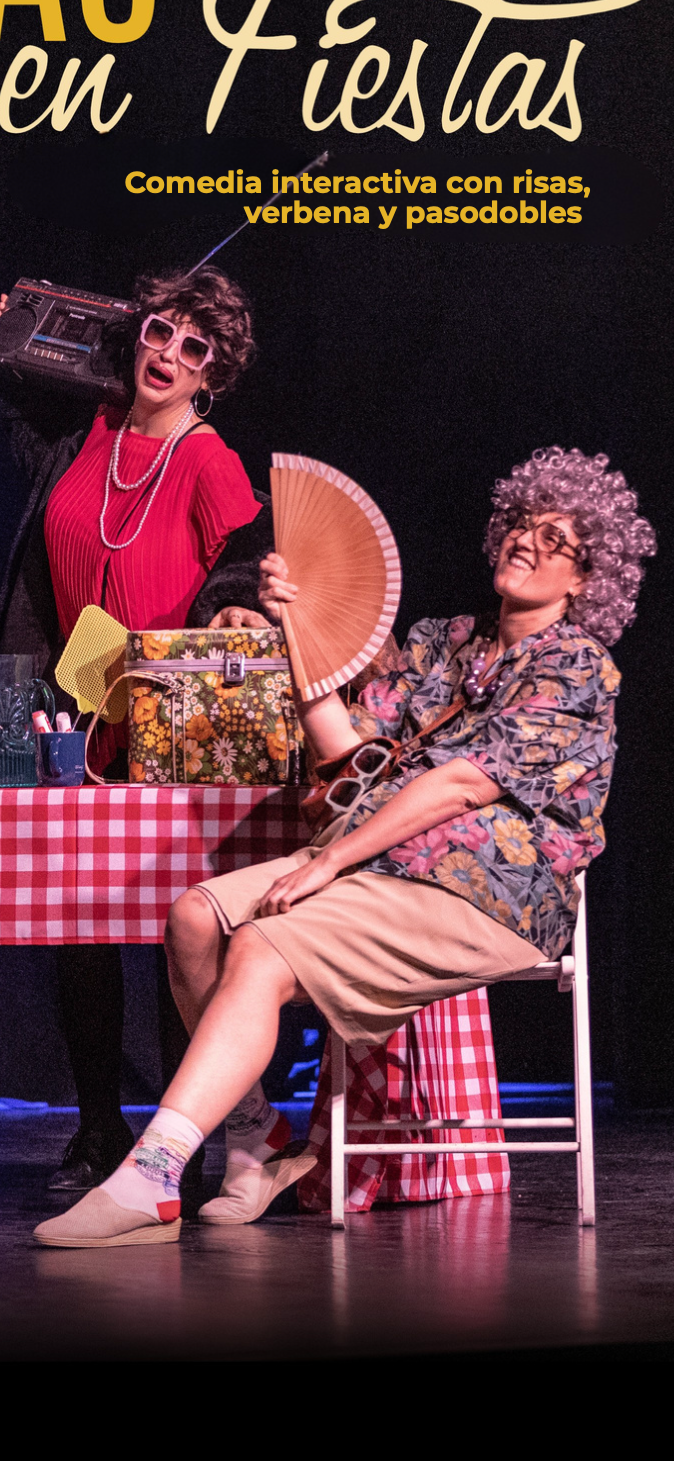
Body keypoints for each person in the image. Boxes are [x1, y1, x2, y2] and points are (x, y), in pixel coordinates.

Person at [34, 446, 655, 1245]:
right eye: (521, 523)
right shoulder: (443, 643)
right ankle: (256, 1135)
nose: (526, 541)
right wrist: (295, 625)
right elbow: (343, 748)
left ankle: (149, 1177)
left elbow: (461, 784)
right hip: (380, 861)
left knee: (260, 947)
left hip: (486, 890)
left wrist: (331, 858)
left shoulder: (576, 666)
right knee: (193, 917)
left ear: (585, 580)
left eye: (554, 539)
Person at [0, 266, 274, 1191]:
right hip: (75, 704)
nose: (169, 354)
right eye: (159, 331)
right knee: (79, 924)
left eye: (194, 347)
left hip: (168, 715)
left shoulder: (207, 457)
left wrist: (234, 605)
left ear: (210, 375)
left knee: (176, 932)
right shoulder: (88, 432)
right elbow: (15, 375)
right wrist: (17, 328)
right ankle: (97, 1125)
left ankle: (189, 1136)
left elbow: (244, 562)